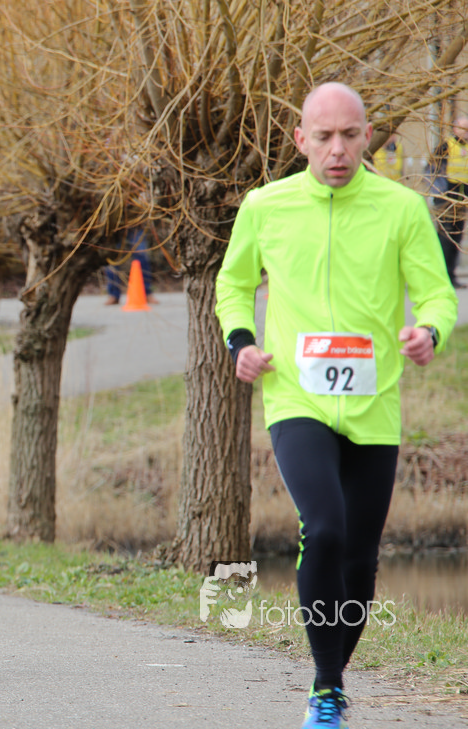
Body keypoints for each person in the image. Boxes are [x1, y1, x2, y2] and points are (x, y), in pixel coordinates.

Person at [215, 83, 458, 729]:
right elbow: (232, 285)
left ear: (368, 135)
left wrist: (429, 332)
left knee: (360, 558)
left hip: (374, 404)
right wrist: (241, 341)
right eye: (323, 137)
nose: (338, 149)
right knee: (323, 527)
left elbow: (438, 295)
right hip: (297, 397)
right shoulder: (266, 206)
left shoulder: (401, 208)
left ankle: (331, 678)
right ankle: (326, 689)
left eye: (350, 135)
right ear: (301, 140)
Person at [431, 116, 468, 288]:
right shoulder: (445, 146)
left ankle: (451, 276)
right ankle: (441, 276)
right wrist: (439, 196)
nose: (465, 132)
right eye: (463, 128)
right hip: (446, 198)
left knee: (456, 238)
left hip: (461, 199)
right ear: (455, 129)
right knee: (445, 238)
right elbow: (434, 171)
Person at [104, 227, 158, 306]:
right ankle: (113, 294)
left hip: (135, 225)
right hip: (114, 226)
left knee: (141, 255)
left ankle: (146, 292)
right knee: (112, 258)